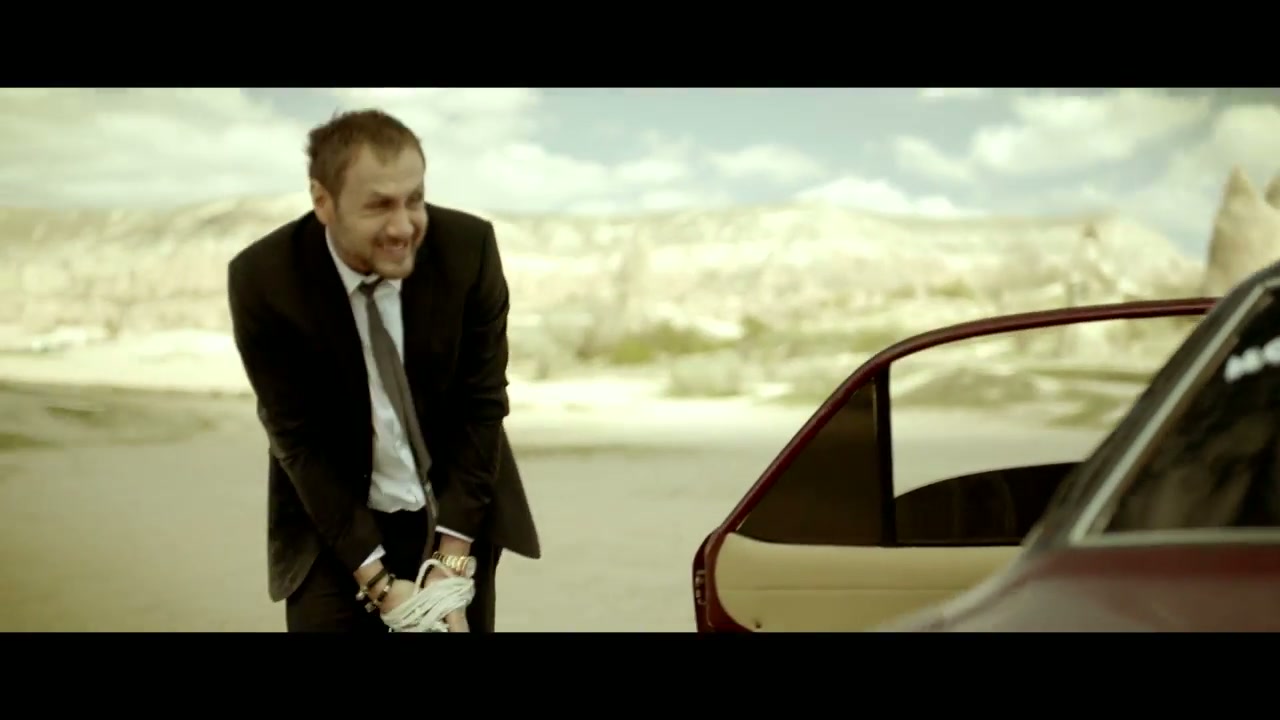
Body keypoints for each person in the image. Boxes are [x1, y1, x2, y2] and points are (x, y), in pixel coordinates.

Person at [226, 108, 540, 632]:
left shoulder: (469, 249)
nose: (403, 227)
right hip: (333, 523)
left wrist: (452, 561)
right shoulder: (264, 279)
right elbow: (297, 440)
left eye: (414, 199)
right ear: (322, 200)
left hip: (455, 511)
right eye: (378, 205)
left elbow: (482, 407)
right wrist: (377, 582)